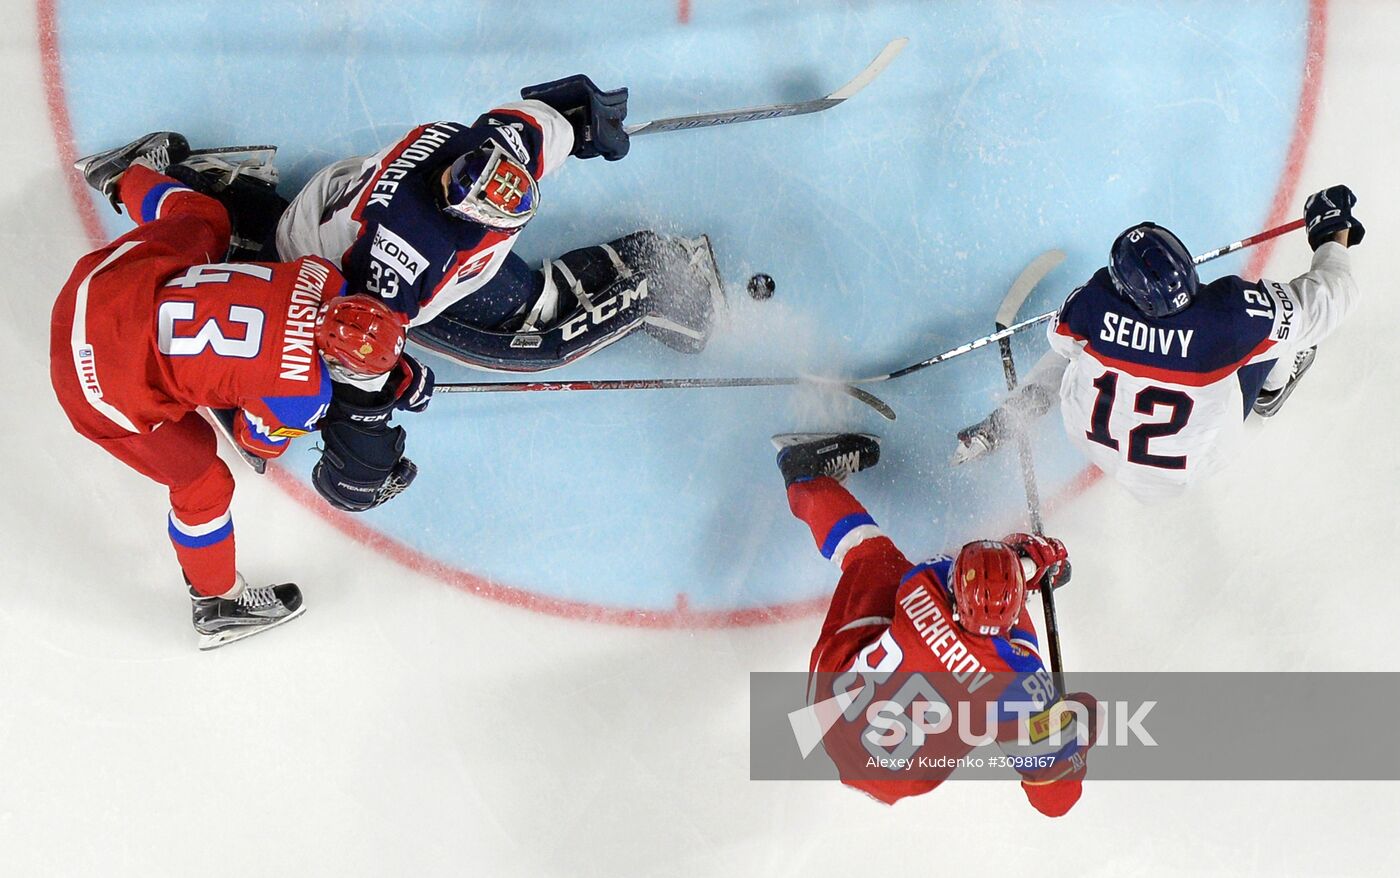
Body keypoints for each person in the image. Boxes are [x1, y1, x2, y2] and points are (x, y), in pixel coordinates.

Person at [55, 134, 421, 649]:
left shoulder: (319, 276)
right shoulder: (303, 394)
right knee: (203, 481)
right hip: (94, 382)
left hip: (97, 291)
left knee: (206, 220)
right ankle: (217, 602)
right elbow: (253, 440)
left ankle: (122, 176)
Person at [162, 75, 723, 376]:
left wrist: (582, 125)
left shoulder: (483, 148)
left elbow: (537, 123)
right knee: (530, 310)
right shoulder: (406, 257)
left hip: (335, 201)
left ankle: (207, 195)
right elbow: (359, 333)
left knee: (518, 293)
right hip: (319, 255)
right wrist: (365, 413)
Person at [951, 186, 1365, 502]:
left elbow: (1058, 339)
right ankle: (1272, 389)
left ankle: (1010, 416)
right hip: (1191, 464)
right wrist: (1332, 232)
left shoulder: (1092, 305)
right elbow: (1334, 294)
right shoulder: (1232, 318)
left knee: (1075, 352)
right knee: (1283, 328)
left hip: (1094, 443)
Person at [774, 433, 1098, 816]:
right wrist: (1068, 734)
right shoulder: (1021, 684)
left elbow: (971, 576)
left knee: (870, 554)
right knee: (994, 709)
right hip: (887, 773)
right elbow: (1054, 801)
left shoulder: (924, 586)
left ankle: (803, 475)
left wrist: (1027, 562)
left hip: (835, 696)